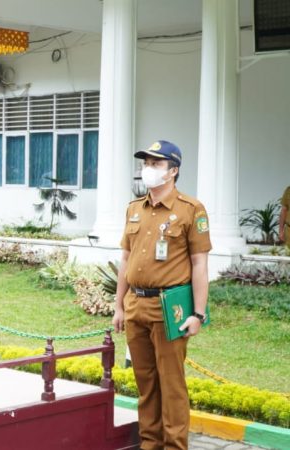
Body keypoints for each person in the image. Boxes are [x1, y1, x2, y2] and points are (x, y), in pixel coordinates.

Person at [112, 140, 211, 450]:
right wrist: (118, 307)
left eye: (156, 164)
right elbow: (125, 260)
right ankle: (150, 443)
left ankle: (175, 446)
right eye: (146, 163)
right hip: (136, 306)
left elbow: (199, 264)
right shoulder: (134, 209)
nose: (148, 169)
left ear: (173, 171)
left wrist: (198, 314)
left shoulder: (191, 210)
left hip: (170, 309)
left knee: (172, 386)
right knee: (146, 385)